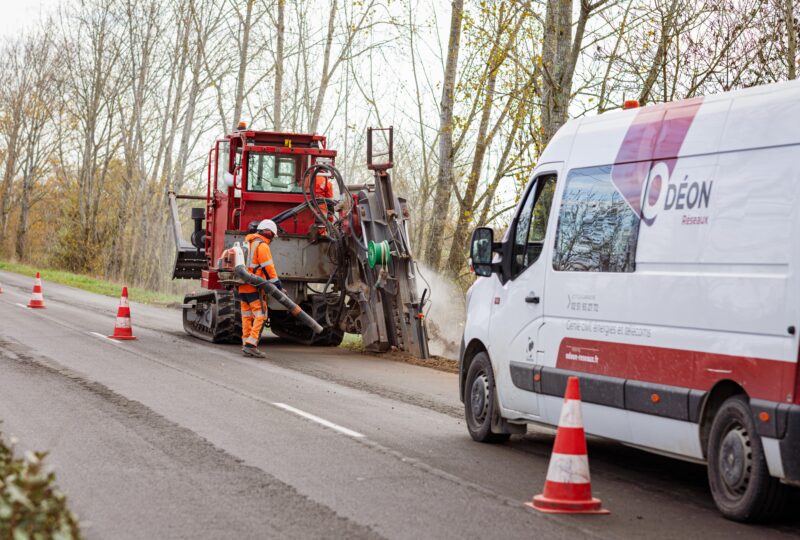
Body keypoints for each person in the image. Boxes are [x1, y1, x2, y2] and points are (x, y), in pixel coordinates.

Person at [239, 219, 282, 358]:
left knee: (246, 316)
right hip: (254, 287)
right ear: (269, 233)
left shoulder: (248, 242)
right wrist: (277, 285)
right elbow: (268, 268)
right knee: (261, 315)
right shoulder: (262, 246)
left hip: (242, 287)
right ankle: (251, 345)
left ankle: (246, 343)